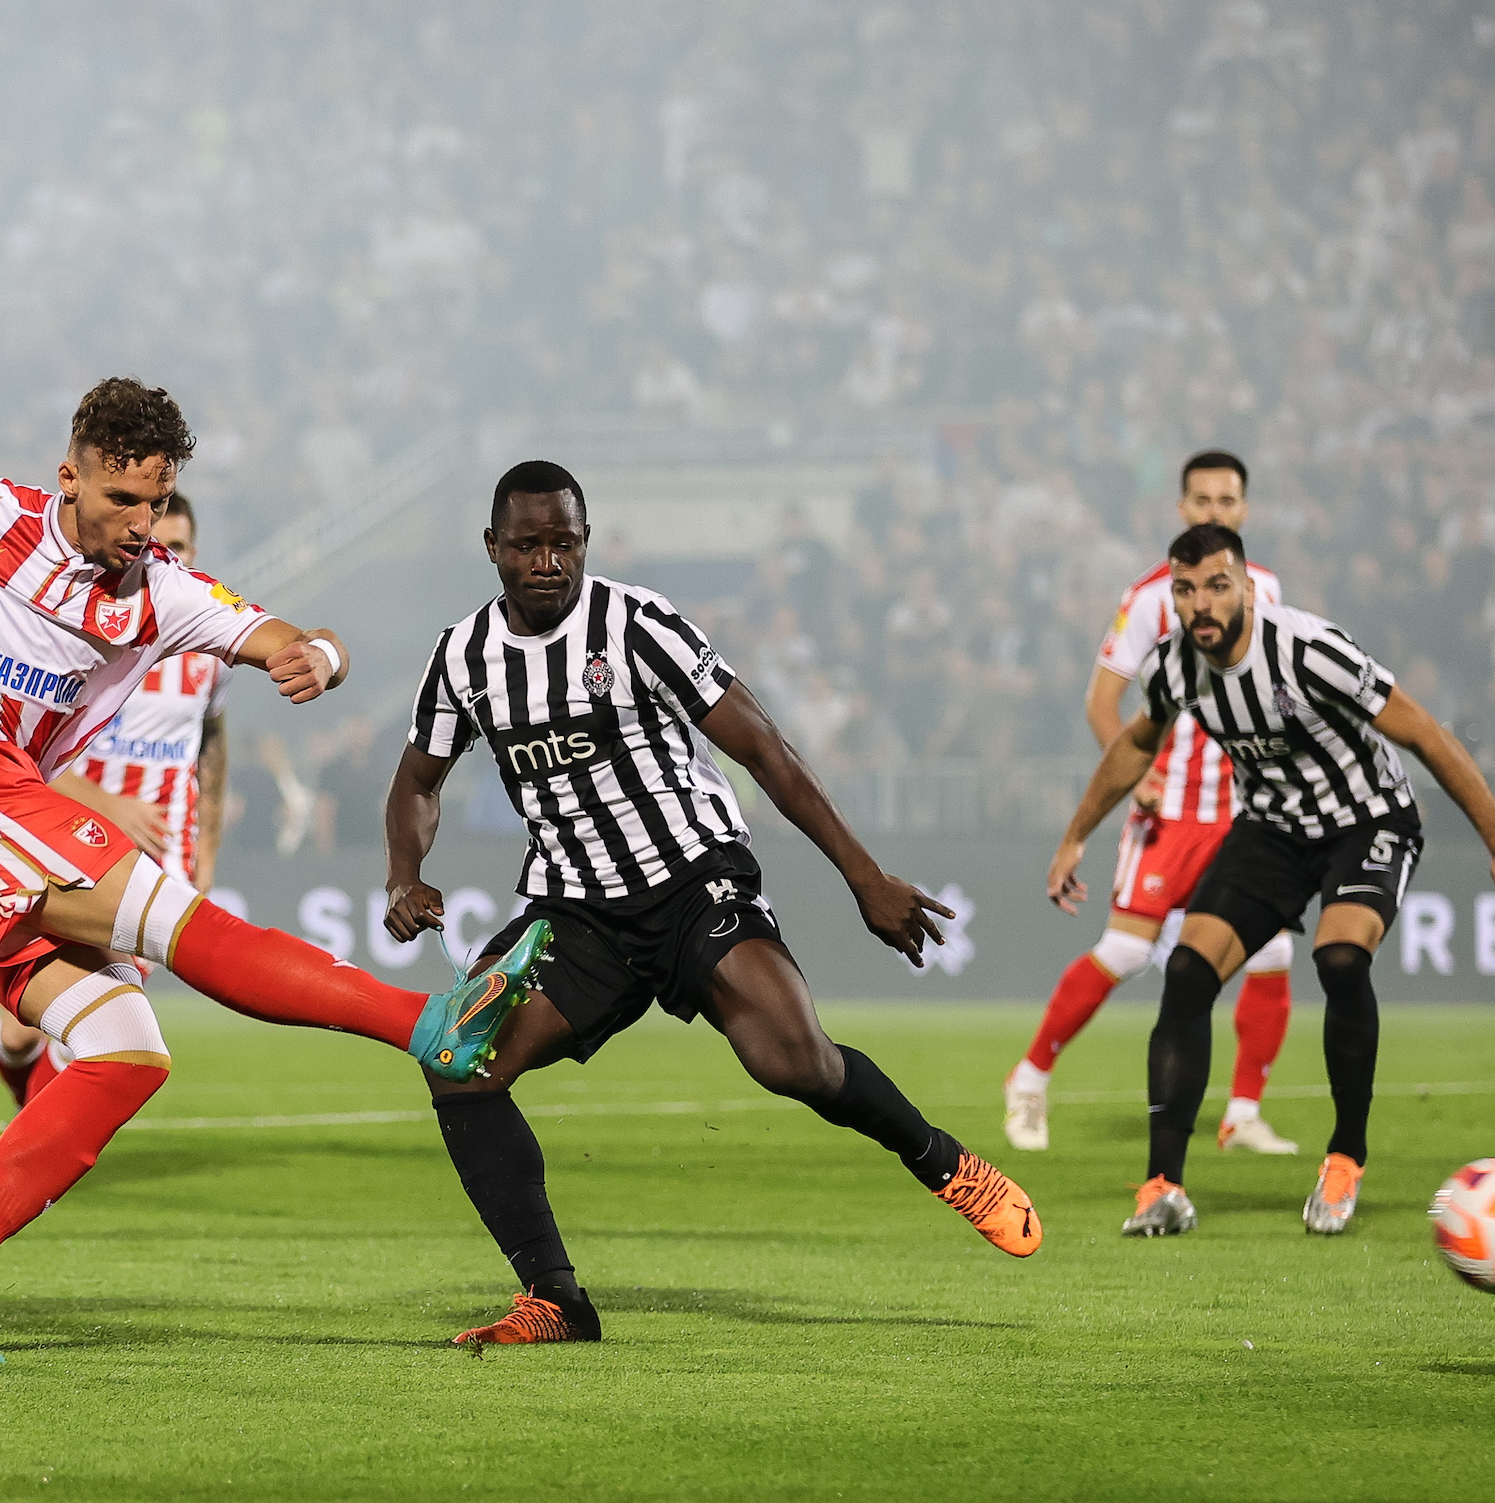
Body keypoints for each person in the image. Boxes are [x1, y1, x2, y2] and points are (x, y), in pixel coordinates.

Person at [0, 382, 547, 1364]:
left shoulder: (160, 591)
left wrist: (322, 657)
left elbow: (285, 636)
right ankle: (426, 1025)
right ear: (68, 475)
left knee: (127, 1049)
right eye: (124, 499)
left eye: (158, 500)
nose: (143, 522)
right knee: (181, 921)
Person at [383, 460, 1040, 1347]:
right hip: (575, 910)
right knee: (458, 1061)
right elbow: (417, 780)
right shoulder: (462, 655)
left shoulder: (638, 623)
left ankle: (943, 1160)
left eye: (564, 542)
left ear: (585, 540)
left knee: (794, 1060)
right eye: (528, 544)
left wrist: (864, 875)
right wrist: (403, 872)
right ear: (493, 547)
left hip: (694, 879)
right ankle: (556, 1299)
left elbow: (764, 748)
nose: (548, 561)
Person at [1049, 522, 1495, 1238]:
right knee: (1189, 971)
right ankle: (1163, 1185)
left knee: (1340, 957)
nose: (1201, 604)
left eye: (1217, 586)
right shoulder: (1174, 667)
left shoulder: (1307, 649)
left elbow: (1422, 731)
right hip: (1273, 829)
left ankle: (1346, 1156)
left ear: (1248, 590)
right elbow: (1138, 743)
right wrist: (1076, 834)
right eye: (1186, 589)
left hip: (1370, 820)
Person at [1004, 451, 1299, 1157]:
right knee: (1127, 950)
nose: (1214, 512)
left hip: (1241, 807)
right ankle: (1029, 1077)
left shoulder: (1266, 588)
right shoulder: (1149, 597)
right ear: (1181, 508)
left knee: (1274, 950)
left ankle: (1243, 1113)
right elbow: (1102, 702)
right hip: (1170, 807)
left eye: (1227, 500)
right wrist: (1135, 776)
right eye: (1202, 500)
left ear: (1245, 510)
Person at [0, 493, 228, 1107]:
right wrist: (109, 804)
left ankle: (35, 1156)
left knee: (106, 1015)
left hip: (159, 851)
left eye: (178, 548)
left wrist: (207, 851)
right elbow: (27, 753)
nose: (165, 557)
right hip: (70, 838)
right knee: (22, 1030)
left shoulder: (208, 650)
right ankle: (28, 1096)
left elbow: (214, 748)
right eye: (157, 545)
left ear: (193, 554)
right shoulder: (83, 631)